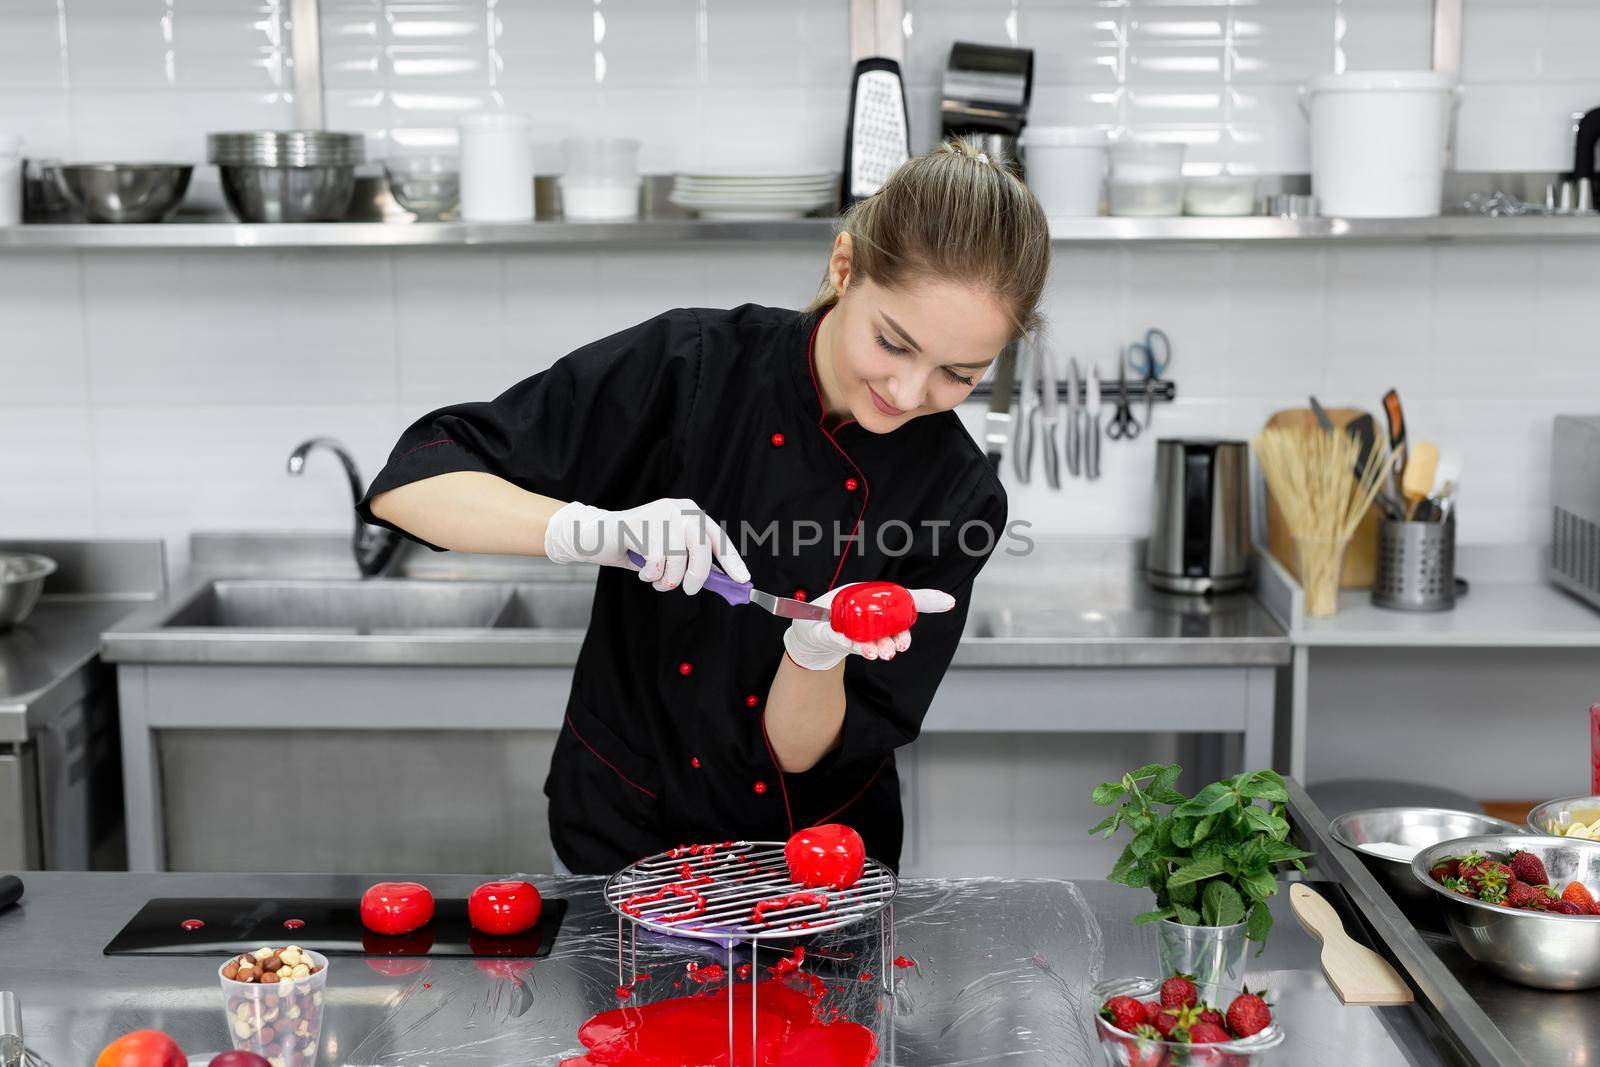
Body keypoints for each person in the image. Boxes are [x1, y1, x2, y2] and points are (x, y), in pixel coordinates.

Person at [359, 139, 1051, 874]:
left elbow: (797, 750)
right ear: (845, 267)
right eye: (892, 342)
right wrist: (593, 531)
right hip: (623, 838)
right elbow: (411, 486)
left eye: (959, 374)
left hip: (814, 871)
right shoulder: (690, 369)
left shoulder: (957, 493)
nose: (910, 394)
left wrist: (817, 648)